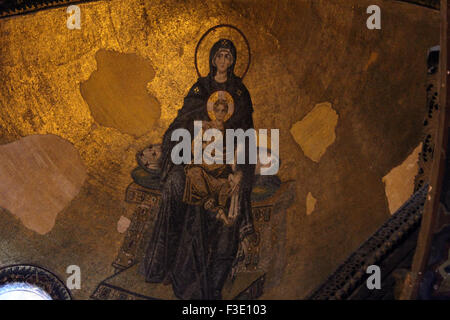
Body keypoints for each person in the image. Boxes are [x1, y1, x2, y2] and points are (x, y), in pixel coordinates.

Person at [141, 38, 255, 300]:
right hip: (195, 160)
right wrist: (196, 134)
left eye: (228, 56)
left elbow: (247, 136)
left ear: (234, 61)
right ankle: (163, 264)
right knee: (175, 186)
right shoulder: (200, 88)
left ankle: (202, 281)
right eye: (219, 56)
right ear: (212, 59)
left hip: (225, 166)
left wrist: (240, 171)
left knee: (221, 202)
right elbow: (180, 123)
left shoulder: (240, 92)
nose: (224, 61)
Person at [183, 99, 241, 226]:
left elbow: (231, 151)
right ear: (213, 111)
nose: (220, 113)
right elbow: (195, 146)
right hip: (205, 162)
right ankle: (209, 202)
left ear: (227, 113)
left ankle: (220, 210)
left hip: (220, 164)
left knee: (226, 183)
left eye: (223, 111)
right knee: (194, 172)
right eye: (218, 110)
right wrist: (206, 146)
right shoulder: (206, 126)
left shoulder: (228, 130)